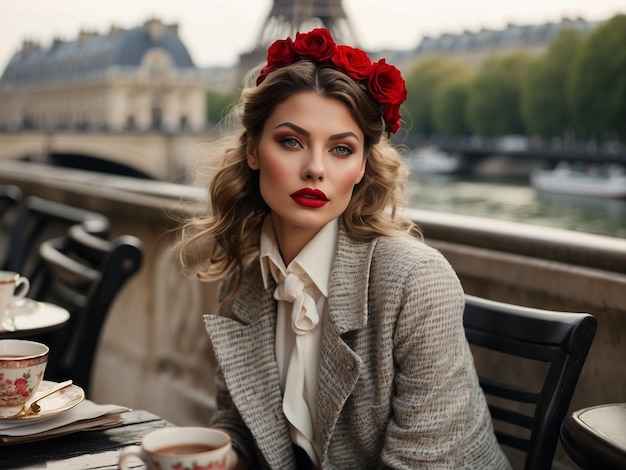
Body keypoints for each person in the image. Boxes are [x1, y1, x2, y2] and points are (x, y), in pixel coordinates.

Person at [178, 27, 511, 470]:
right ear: (254, 150)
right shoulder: (245, 277)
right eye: (291, 141)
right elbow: (243, 424)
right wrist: (216, 453)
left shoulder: (416, 280)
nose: (315, 169)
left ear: (361, 166)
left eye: (340, 148)